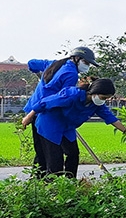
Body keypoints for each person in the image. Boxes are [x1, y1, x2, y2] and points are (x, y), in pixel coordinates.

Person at [20, 78, 125, 177]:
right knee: (55, 159)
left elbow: (112, 119)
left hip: (67, 127)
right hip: (50, 125)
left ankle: (70, 181)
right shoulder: (71, 95)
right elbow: (44, 102)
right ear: (95, 92)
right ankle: (51, 186)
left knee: (73, 154)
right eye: (103, 98)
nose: (104, 100)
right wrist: (29, 116)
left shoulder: (96, 105)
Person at [24, 46, 99, 176]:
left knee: (42, 151)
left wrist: (36, 71)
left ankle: (37, 182)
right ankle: (53, 182)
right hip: (46, 113)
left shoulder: (54, 64)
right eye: (86, 62)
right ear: (77, 58)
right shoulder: (71, 74)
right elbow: (63, 99)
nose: (87, 66)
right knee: (53, 153)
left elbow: (31, 63)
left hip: (33, 110)